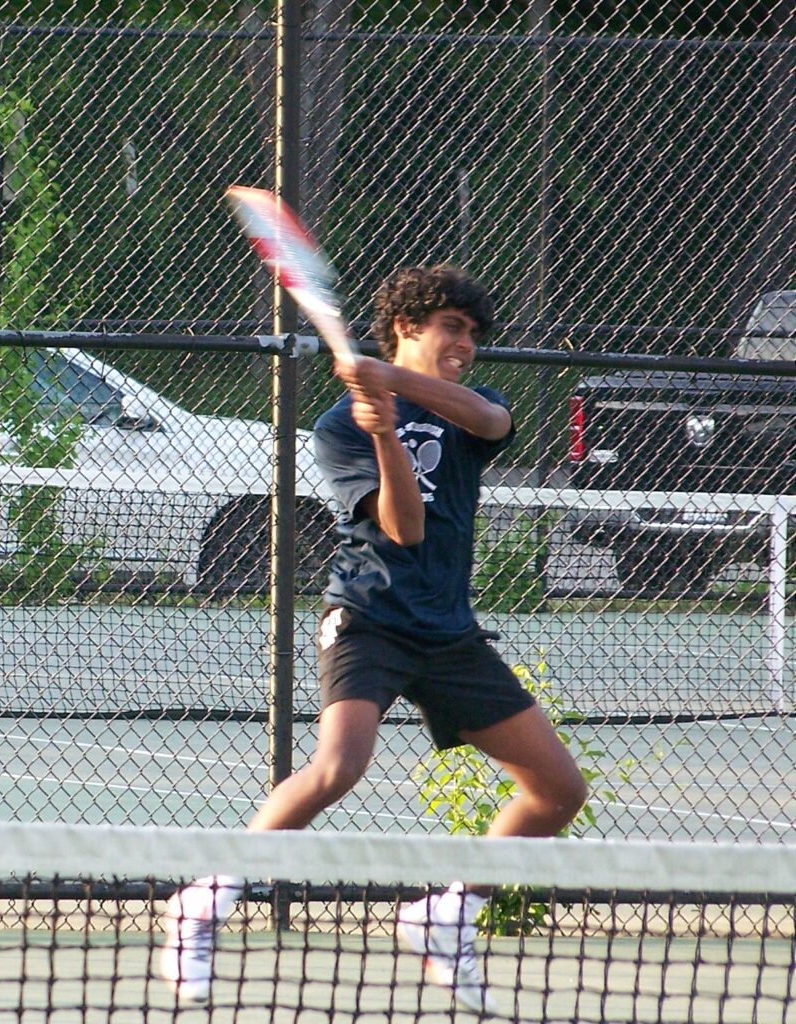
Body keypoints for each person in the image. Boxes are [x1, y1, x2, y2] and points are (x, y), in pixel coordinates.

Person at [161, 264, 587, 1013]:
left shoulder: (472, 406)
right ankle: (205, 903)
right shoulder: (337, 427)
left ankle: (450, 914)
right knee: (338, 765)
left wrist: (391, 381)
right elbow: (403, 526)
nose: (466, 344)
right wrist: (385, 429)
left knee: (557, 791)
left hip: (449, 631)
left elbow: (491, 424)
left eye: (474, 333)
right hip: (368, 616)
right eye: (451, 327)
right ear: (408, 325)